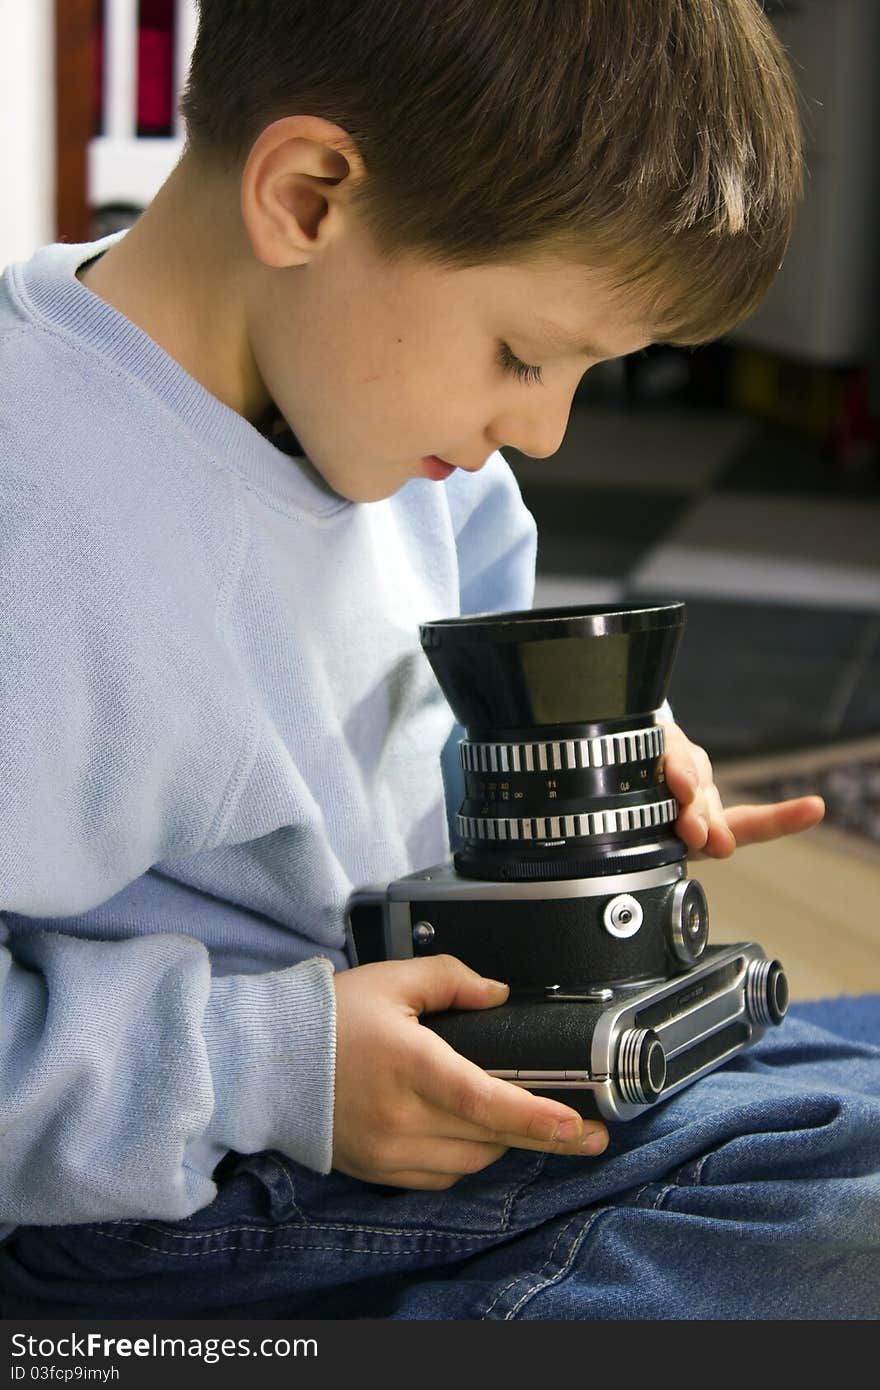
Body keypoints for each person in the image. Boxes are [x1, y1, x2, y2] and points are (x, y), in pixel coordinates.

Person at [0, 0, 876, 1321]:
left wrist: (569, 769)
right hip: (204, 1188)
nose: (544, 427)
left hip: (448, 1089)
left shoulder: (408, 448)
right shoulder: (41, 509)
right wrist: (277, 1066)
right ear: (307, 198)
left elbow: (413, 743)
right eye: (525, 353)